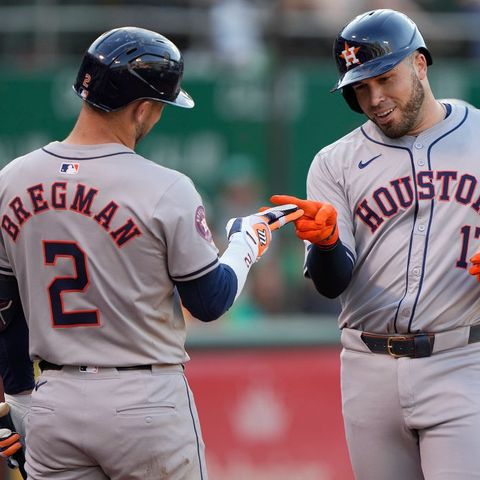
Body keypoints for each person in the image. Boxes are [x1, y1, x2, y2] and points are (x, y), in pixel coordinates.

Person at [0, 26, 301, 479]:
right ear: (142, 108)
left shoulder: (11, 180)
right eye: (158, 107)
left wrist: (20, 399)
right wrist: (246, 241)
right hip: (143, 399)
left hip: (54, 399)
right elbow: (210, 300)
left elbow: (6, 310)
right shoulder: (166, 187)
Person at [269, 8, 480, 480]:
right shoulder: (335, 162)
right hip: (368, 368)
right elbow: (331, 284)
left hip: (463, 359)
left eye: (384, 78)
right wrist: (326, 247)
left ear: (421, 64)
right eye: (360, 88)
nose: (375, 98)